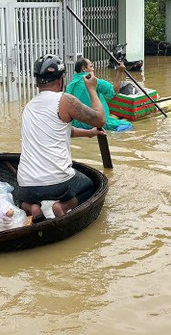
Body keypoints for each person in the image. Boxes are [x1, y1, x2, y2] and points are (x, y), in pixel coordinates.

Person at [16, 54, 106, 221]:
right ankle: (62, 207)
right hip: (57, 184)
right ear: (60, 81)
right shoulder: (65, 100)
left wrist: (89, 133)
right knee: (92, 184)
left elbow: (59, 131)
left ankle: (33, 207)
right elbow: (100, 118)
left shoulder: (29, 107)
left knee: (19, 195)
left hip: (26, 185)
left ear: (37, 83)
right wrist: (92, 89)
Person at [66, 57, 133, 132]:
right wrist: (120, 72)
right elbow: (113, 92)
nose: (93, 69)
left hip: (76, 124)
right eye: (91, 67)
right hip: (95, 123)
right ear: (84, 69)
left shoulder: (70, 86)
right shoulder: (95, 82)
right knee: (128, 125)